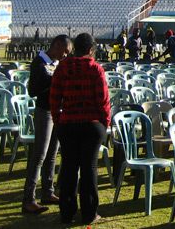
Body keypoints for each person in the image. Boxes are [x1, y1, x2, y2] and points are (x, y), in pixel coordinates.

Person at [50, 33, 110, 225]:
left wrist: (58, 119)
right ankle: (89, 212)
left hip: (68, 123)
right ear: (91, 50)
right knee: (89, 168)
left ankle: (66, 212)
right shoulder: (95, 68)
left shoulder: (63, 67)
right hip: (91, 124)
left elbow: (54, 97)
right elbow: (103, 100)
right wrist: (104, 122)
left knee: (68, 167)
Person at [22, 35, 72, 214]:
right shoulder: (40, 62)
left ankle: (48, 191)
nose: (65, 56)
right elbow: (33, 90)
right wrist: (54, 80)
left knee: (52, 154)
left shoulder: (56, 63)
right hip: (44, 111)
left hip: (57, 111)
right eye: (64, 51)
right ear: (57, 46)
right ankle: (28, 198)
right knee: (39, 156)